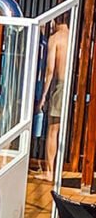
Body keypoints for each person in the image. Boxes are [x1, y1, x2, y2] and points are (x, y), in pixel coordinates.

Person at [38, 16, 69, 180]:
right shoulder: (74, 38)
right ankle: (57, 168)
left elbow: (50, 71)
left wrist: (43, 96)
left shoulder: (55, 39)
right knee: (63, 129)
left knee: (53, 130)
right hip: (72, 86)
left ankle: (50, 171)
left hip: (60, 85)